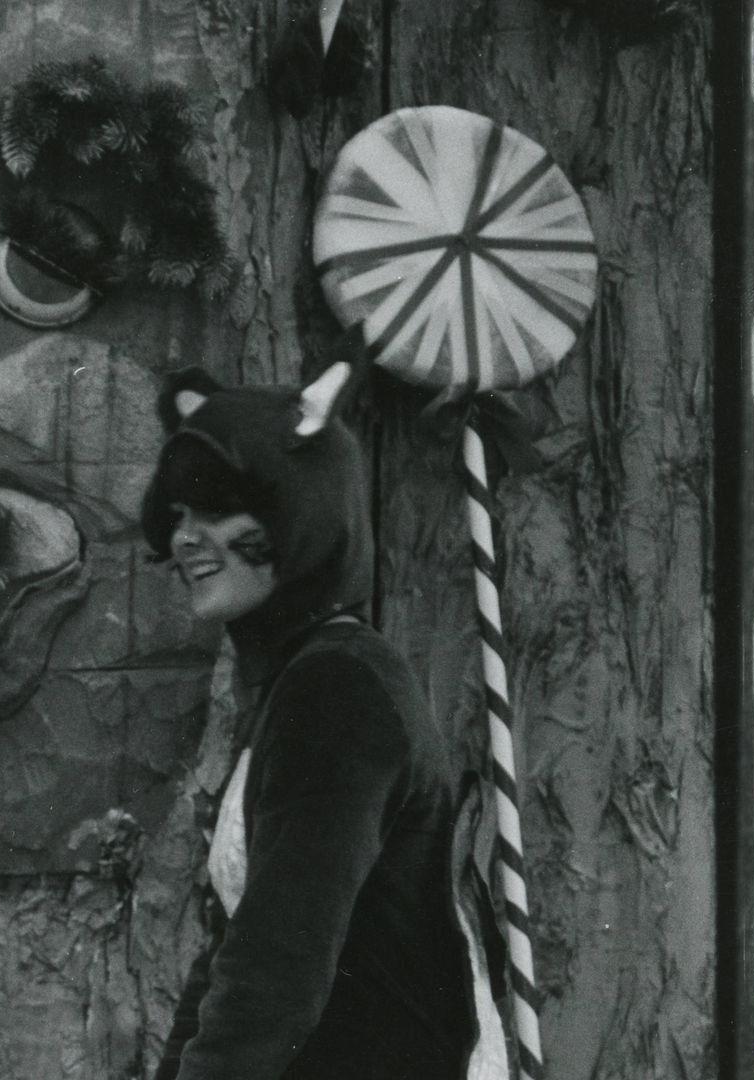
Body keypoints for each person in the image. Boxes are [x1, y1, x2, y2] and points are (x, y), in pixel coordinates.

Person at [141, 362, 506, 1080]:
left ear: (301, 508)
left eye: (215, 508)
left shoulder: (337, 692)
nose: (187, 537)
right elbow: (231, 957)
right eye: (178, 515)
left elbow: (275, 973)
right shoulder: (299, 681)